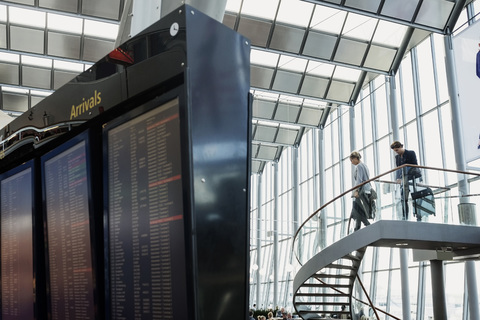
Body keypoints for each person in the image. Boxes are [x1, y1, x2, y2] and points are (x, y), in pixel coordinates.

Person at [390, 141, 421, 220]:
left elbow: (415, 166)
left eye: (397, 150)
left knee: (416, 197)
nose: (396, 152)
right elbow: (398, 169)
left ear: (401, 147)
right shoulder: (397, 158)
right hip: (404, 181)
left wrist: (403, 175)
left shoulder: (411, 153)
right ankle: (405, 216)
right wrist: (398, 178)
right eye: (395, 151)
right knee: (403, 198)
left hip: (413, 178)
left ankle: (418, 215)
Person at [349, 151, 373, 231]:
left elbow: (359, 180)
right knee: (358, 210)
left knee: (357, 210)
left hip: (361, 191)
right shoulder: (365, 165)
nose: (351, 162)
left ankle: (368, 226)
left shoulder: (359, 166)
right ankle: (357, 229)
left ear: (356, 158)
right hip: (367, 190)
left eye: (352, 160)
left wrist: (356, 190)